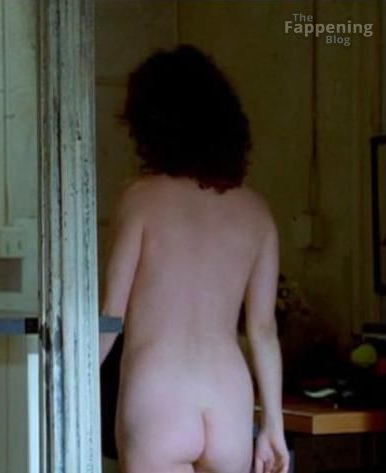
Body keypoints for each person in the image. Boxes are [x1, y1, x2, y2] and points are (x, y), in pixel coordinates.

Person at [99, 45, 290, 473]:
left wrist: (68, 389)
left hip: (158, 395)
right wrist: (272, 426)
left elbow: (111, 316)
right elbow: (262, 330)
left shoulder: (139, 199)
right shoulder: (257, 212)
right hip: (229, 401)